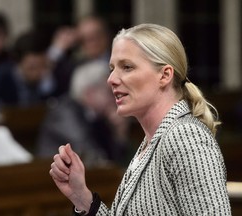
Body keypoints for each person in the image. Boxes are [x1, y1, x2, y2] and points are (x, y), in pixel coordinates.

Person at [49, 24, 231, 215]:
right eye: (112, 68)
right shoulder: (152, 141)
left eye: (127, 67)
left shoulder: (185, 136)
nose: (111, 79)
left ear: (164, 75)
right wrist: (82, 197)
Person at [37, 60, 129, 166]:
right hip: (49, 178)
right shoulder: (65, 114)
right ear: (90, 93)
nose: (113, 97)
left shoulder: (98, 117)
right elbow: (92, 156)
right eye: (108, 91)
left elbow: (115, 161)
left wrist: (119, 133)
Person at [0, 30, 51, 107]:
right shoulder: (0, 81)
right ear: (19, 62)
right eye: (32, 68)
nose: (38, 73)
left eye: (43, 66)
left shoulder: (48, 82)